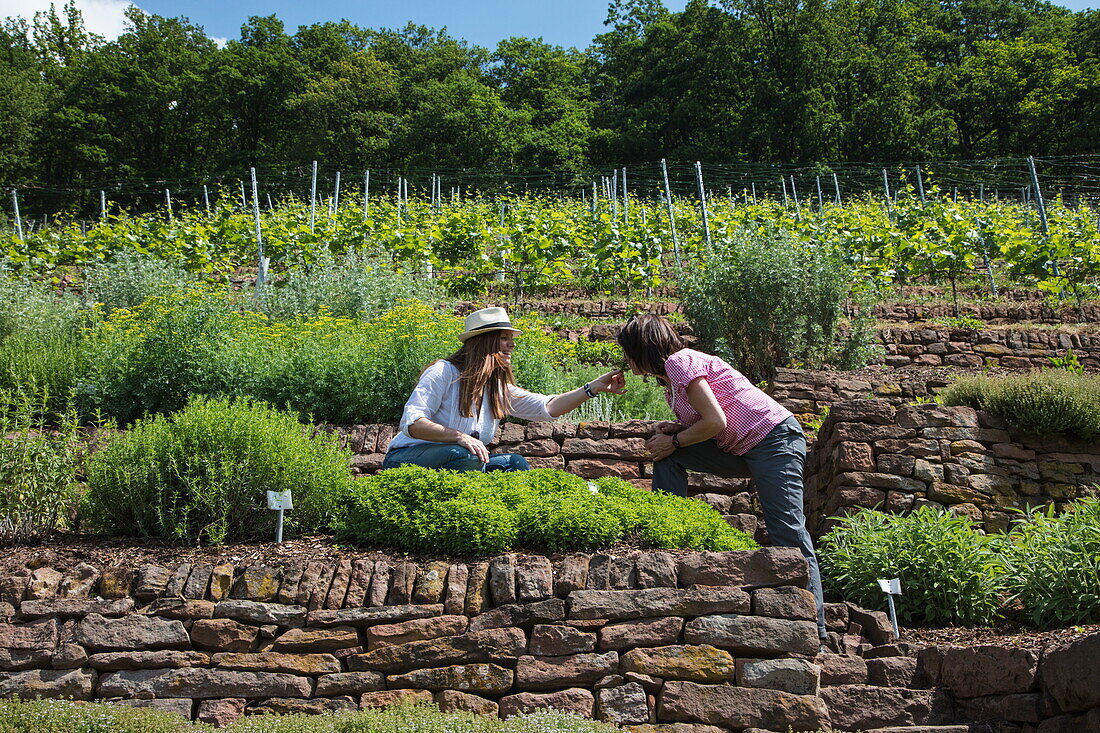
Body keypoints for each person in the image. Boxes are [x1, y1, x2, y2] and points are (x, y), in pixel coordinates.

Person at [617, 314, 827, 641]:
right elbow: (710, 422)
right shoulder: (671, 382)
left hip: (773, 439)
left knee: (786, 527)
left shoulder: (679, 362)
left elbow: (716, 421)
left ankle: (817, 629)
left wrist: (674, 440)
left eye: (627, 350)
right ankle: (666, 533)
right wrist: (678, 432)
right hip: (743, 448)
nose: (625, 359)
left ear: (641, 347)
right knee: (669, 457)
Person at [384, 306, 626, 472]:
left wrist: (593, 387)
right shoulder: (443, 372)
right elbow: (412, 422)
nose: (512, 344)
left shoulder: (496, 387)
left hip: (463, 462)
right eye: (503, 338)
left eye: (511, 338)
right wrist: (459, 436)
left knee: (514, 463)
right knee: (464, 454)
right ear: (483, 342)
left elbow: (548, 407)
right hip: (407, 458)